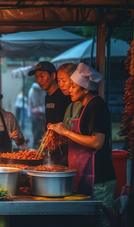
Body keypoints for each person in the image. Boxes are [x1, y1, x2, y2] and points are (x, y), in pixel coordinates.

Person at [48, 63, 116, 227]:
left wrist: (66, 132)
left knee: (101, 220)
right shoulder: (86, 106)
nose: (69, 90)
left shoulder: (96, 106)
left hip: (99, 179)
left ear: (86, 89)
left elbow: (97, 142)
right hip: (84, 175)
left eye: (73, 86)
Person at [28, 61, 72, 126]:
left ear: (53, 76)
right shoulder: (47, 97)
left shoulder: (64, 95)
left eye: (42, 76)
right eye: (37, 77)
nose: (39, 80)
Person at [57, 63, 83, 130]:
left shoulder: (87, 105)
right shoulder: (70, 106)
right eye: (58, 80)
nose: (60, 85)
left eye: (63, 80)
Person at [27, 82, 46, 147]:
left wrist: (40, 109)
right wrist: (33, 111)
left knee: (40, 129)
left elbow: (43, 102)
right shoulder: (32, 92)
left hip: (41, 113)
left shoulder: (41, 92)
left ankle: (38, 142)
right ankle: (36, 141)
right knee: (35, 128)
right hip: (34, 114)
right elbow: (31, 104)